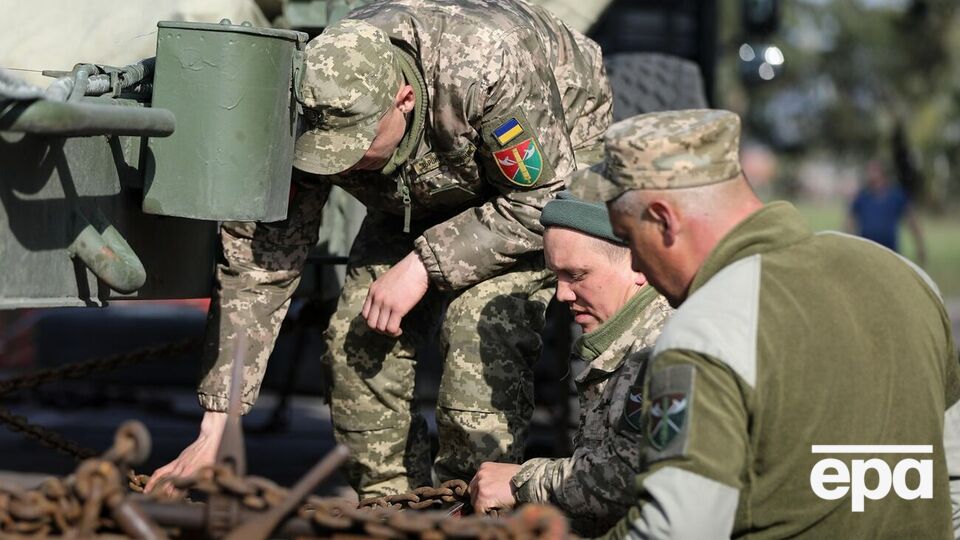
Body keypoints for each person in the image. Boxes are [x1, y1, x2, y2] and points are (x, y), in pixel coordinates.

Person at [145, 0, 612, 498]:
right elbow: (259, 265)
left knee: (480, 331)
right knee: (355, 342)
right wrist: (216, 427)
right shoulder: (308, 105)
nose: (341, 163)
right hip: (422, 181)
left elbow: (540, 197)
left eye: (356, 145)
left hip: (545, 159)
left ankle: (473, 512)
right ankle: (391, 509)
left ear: (403, 99)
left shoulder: (484, 66)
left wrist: (423, 264)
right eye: (327, 149)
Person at [582, 109, 959, 538]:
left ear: (664, 219)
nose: (637, 266)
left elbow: (677, 530)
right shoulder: (909, 279)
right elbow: (953, 483)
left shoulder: (707, 327)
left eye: (628, 239)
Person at [467, 192, 672, 535]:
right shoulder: (625, 335)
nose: (562, 294)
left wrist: (520, 483)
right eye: (556, 276)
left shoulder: (658, 346)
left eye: (576, 275)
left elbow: (628, 477)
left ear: (639, 265)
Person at [847, 159, 927, 266]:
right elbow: (850, 223)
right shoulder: (862, 197)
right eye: (869, 171)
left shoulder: (896, 196)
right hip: (866, 253)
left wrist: (920, 246)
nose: (870, 174)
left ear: (883, 174)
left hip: (890, 253)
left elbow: (912, 222)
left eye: (874, 170)